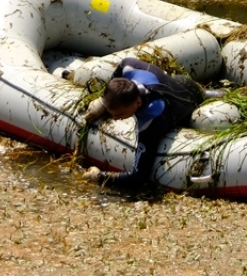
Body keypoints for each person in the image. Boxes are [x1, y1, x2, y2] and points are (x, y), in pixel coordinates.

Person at [82, 57, 204, 188]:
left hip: (190, 101)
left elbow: (138, 177)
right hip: (178, 82)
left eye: (120, 115)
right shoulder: (130, 68)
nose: (115, 119)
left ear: (138, 103)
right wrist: (102, 101)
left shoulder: (152, 119)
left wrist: (100, 177)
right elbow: (124, 62)